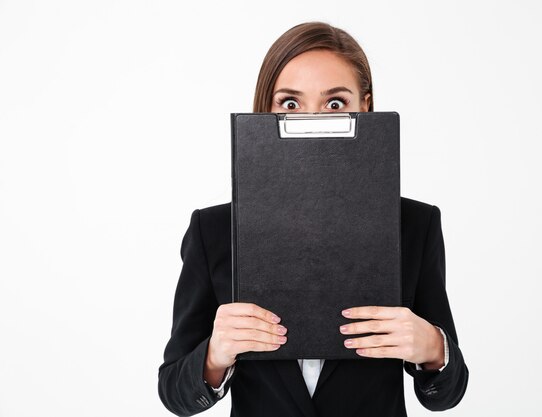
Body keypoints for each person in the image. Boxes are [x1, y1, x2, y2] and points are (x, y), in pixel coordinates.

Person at [158, 21, 469, 417]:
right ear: (265, 110)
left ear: (365, 107)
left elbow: (445, 394)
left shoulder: (414, 225)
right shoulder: (214, 231)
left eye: (335, 103)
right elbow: (173, 393)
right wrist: (214, 356)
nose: (312, 121)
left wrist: (432, 348)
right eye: (290, 103)